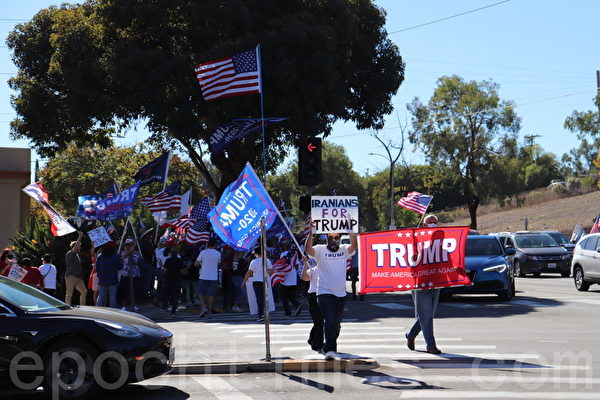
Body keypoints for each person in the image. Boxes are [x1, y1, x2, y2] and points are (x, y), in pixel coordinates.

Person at [305, 228, 358, 360]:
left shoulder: (344, 249)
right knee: (329, 320)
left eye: (336, 238)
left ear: (339, 238)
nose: (333, 241)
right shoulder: (320, 250)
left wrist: (351, 231)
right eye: (330, 238)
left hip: (340, 294)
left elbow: (354, 246)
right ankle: (330, 349)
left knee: (336, 323)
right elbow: (308, 250)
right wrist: (311, 233)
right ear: (326, 239)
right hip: (324, 292)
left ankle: (329, 343)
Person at [406, 213, 442, 354]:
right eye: (430, 222)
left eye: (435, 222)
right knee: (426, 314)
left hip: (436, 283)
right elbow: (410, 262)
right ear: (424, 225)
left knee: (428, 314)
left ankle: (410, 334)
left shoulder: (441, 243)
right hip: (421, 284)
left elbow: (448, 262)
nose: (433, 224)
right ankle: (431, 345)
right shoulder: (418, 243)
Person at [242, 246, 273, 321]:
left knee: (259, 299)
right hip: (264, 281)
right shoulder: (267, 260)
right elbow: (272, 271)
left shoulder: (254, 261)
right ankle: (266, 315)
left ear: (256, 254)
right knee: (265, 298)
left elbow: (249, 272)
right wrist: (266, 272)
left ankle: (261, 315)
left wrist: (244, 281)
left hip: (256, 282)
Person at [302, 255, 323, 353]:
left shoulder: (328, 270)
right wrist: (305, 265)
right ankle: (318, 344)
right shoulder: (313, 270)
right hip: (313, 296)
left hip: (325, 295)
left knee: (320, 321)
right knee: (318, 321)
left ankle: (312, 339)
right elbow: (305, 278)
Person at [194, 239, 222, 318]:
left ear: (207, 245)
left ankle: (203, 307)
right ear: (215, 245)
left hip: (203, 275)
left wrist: (196, 264)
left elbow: (197, 263)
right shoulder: (218, 253)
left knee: (200, 292)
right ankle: (209, 312)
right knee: (211, 295)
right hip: (213, 276)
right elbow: (219, 264)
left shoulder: (203, 252)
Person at [96, 241, 123, 308]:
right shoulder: (116, 256)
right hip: (113, 279)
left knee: (101, 296)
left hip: (102, 279)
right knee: (112, 297)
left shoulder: (100, 256)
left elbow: (97, 268)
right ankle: (112, 312)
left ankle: (98, 311)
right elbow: (120, 267)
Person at [64, 231, 88, 305]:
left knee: (84, 291)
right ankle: (67, 307)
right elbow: (75, 248)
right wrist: (80, 236)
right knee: (69, 294)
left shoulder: (77, 255)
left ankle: (83, 307)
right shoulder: (70, 253)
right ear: (75, 246)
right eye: (79, 246)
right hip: (70, 276)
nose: (80, 247)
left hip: (78, 278)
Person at [279, 243, 302, 317]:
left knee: (284, 296)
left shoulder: (283, 254)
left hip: (285, 277)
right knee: (291, 295)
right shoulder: (294, 254)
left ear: (284, 247)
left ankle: (288, 311)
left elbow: (281, 264)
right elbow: (297, 265)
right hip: (293, 276)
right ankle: (297, 305)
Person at [119, 238, 141, 311]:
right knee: (125, 290)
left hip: (134, 274)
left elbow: (138, 262)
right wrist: (130, 250)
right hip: (126, 274)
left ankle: (134, 305)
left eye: (129, 245)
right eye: (126, 245)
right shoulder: (122, 253)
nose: (127, 246)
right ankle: (124, 306)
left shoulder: (137, 253)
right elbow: (125, 256)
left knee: (134, 290)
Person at [162, 246, 185, 316]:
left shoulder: (168, 260)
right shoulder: (179, 260)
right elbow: (181, 271)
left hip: (168, 279)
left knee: (166, 294)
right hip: (176, 280)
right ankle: (173, 311)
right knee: (175, 296)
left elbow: (164, 270)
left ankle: (165, 306)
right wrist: (185, 270)